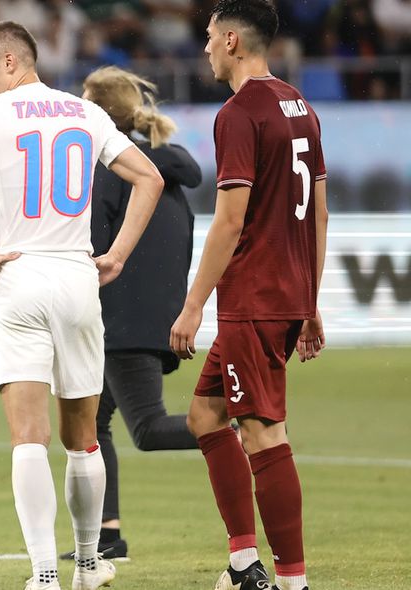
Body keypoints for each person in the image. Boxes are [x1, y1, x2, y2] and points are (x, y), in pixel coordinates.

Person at [0, 21, 164, 590]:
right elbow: (150, 178)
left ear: (13, 62)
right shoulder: (85, 114)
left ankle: (45, 573)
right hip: (76, 276)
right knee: (84, 436)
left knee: (27, 437)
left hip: (19, 275)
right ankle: (89, 565)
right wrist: (114, 256)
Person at [169, 2, 328, 590]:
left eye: (210, 38)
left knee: (261, 430)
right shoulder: (299, 105)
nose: (205, 48)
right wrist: (309, 299)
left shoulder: (239, 113)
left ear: (232, 40)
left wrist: (192, 306)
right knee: (205, 417)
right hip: (286, 290)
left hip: (254, 295)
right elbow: (320, 211)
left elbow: (229, 220)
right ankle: (242, 564)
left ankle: (293, 581)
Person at [59, 66, 202, 562]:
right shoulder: (169, 168)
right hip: (155, 313)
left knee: (147, 428)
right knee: (91, 423)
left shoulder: (110, 168)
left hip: (120, 318)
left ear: (97, 111)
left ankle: (242, 426)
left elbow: (93, 241)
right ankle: (107, 535)